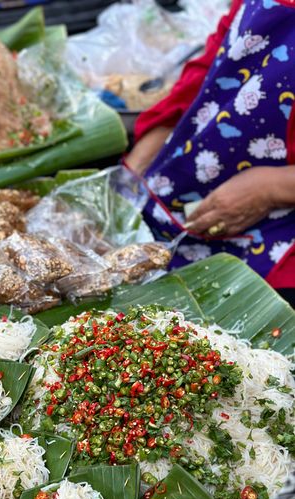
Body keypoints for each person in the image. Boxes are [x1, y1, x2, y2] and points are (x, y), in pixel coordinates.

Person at [125, 0, 295, 290]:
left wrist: (269, 189)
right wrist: (132, 174)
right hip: (189, 197)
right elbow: (213, 67)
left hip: (277, 253)